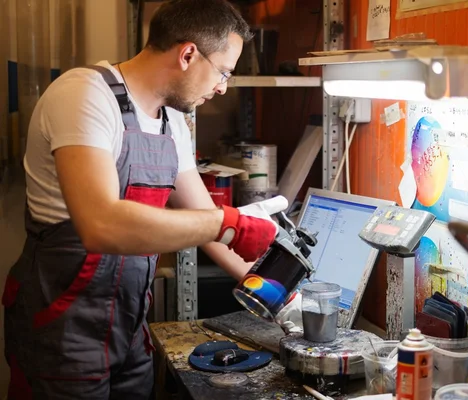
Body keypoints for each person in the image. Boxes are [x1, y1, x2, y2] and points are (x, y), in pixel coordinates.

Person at [2, 0, 283, 398]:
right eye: (223, 72)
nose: (223, 87)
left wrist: (276, 292)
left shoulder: (172, 123)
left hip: (129, 327)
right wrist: (230, 224)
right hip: (62, 324)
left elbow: (203, 219)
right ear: (188, 54)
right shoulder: (85, 94)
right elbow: (102, 225)